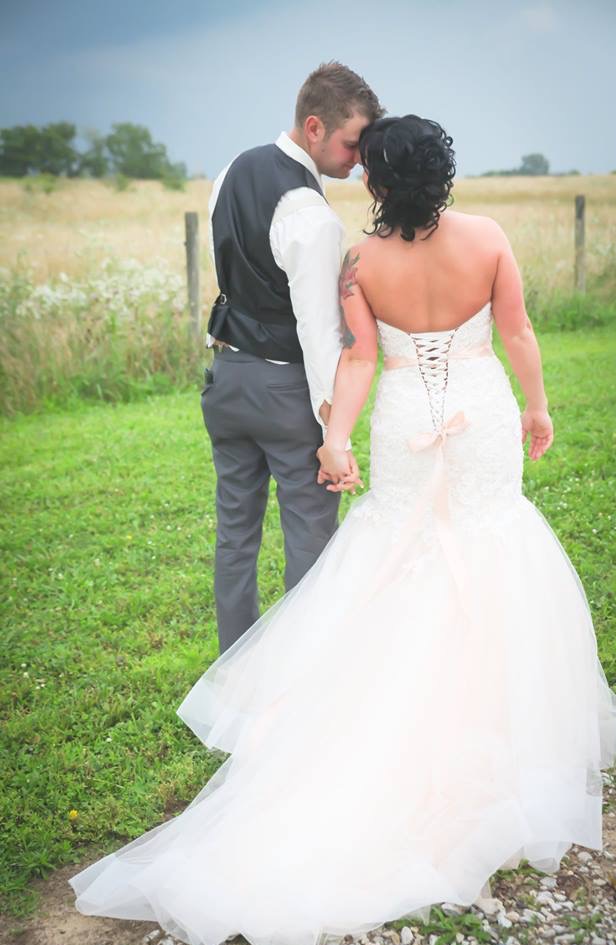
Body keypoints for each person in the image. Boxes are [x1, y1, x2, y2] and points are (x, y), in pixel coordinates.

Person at [69, 115, 616, 945]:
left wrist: (336, 437)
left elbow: (359, 359)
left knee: (398, 558)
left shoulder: (362, 263)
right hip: (481, 416)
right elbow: (516, 332)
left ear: (375, 181)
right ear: (442, 174)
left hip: (402, 421)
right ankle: (495, 743)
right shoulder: (488, 237)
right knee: (489, 546)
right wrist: (538, 406)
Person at [201, 61, 382, 655]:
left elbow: (231, 271)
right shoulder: (311, 215)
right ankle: (303, 678)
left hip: (227, 380)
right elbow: (319, 332)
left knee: (235, 538)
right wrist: (334, 433)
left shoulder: (230, 171)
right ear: (314, 127)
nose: (358, 159)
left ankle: (234, 668)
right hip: (285, 393)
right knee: (310, 541)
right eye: (352, 143)